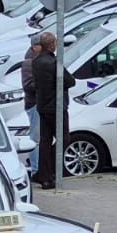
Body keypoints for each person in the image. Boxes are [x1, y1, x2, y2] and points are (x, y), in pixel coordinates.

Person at [31, 31, 73, 189]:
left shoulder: (36, 62)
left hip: (42, 105)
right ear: (52, 45)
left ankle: (44, 175)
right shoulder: (54, 63)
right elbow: (70, 81)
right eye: (55, 43)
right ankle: (47, 170)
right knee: (63, 139)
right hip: (56, 106)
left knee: (45, 140)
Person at [20, 33, 43, 178]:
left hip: (41, 103)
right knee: (36, 137)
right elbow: (28, 86)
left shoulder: (39, 60)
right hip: (35, 104)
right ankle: (36, 170)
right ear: (35, 47)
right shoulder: (29, 63)